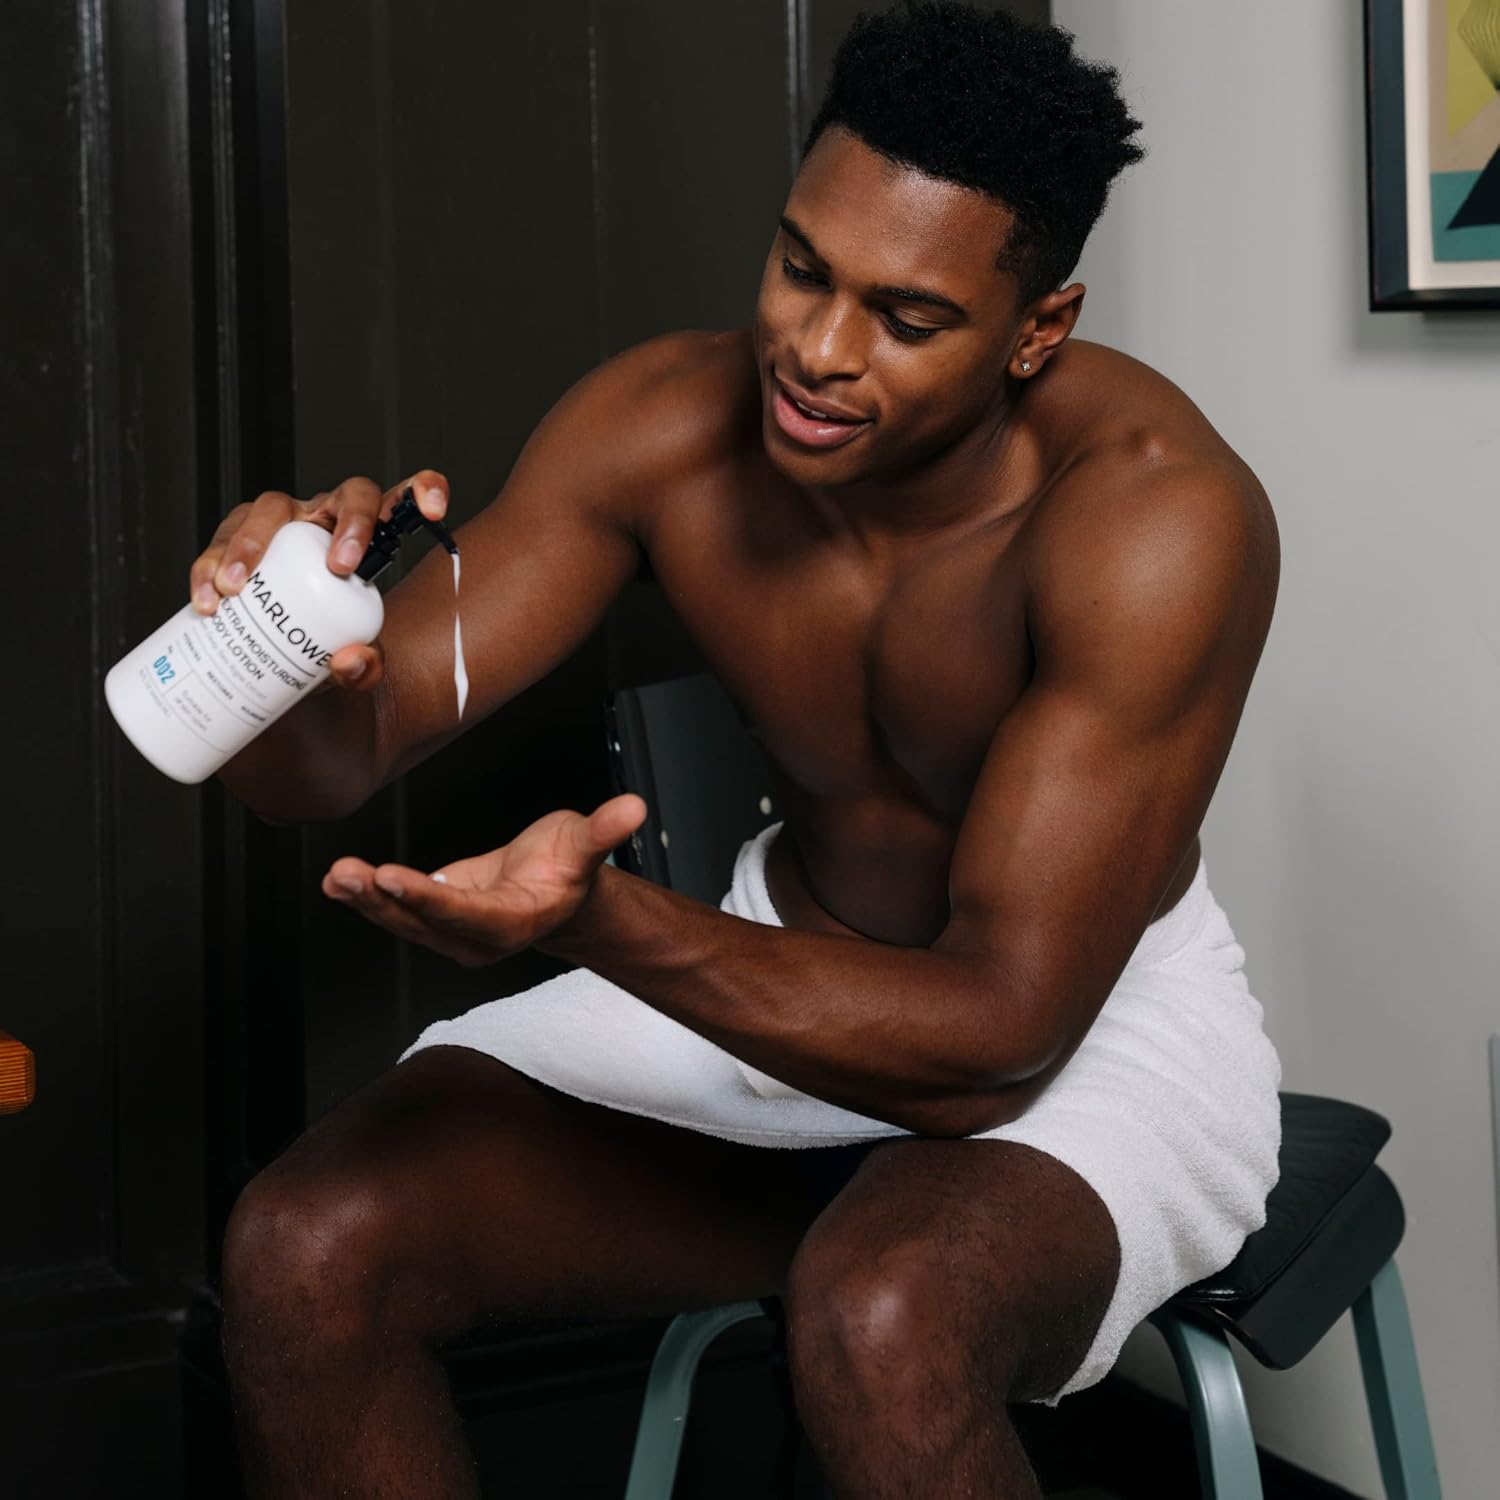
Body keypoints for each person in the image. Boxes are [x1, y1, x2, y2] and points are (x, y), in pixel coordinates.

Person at [207, 4, 1283, 1496]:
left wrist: (605, 923)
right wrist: (271, 638)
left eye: (908, 319)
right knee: (307, 1245)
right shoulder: (657, 428)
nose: (818, 352)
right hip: (775, 976)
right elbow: (318, 774)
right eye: (801, 268)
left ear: (1040, 329)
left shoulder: (1153, 519)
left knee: (885, 1316)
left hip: (1086, 1038)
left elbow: (994, 1043)